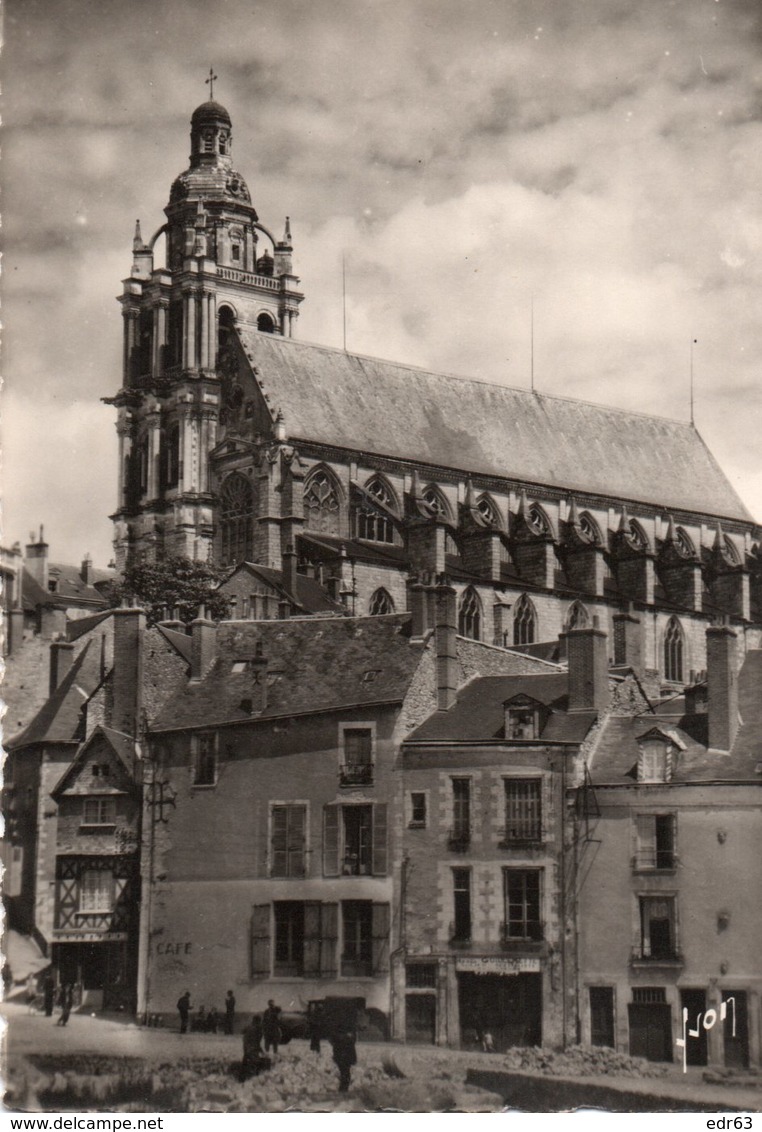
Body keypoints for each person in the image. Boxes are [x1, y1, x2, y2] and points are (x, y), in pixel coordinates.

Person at [240, 1015, 271, 1081]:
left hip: (247, 1049)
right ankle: (253, 1078)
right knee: (256, 1063)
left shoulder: (250, 1027)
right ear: (258, 1022)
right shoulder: (257, 1029)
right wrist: (261, 1051)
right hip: (252, 1049)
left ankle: (242, 1078)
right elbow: (256, 1043)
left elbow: (242, 1031)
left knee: (245, 1062)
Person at [330, 1026, 357, 1093]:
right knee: (345, 1072)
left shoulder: (339, 1024)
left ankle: (343, 1089)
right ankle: (343, 1089)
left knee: (345, 1072)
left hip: (344, 1052)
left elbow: (332, 1039)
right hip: (342, 1052)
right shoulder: (346, 1025)